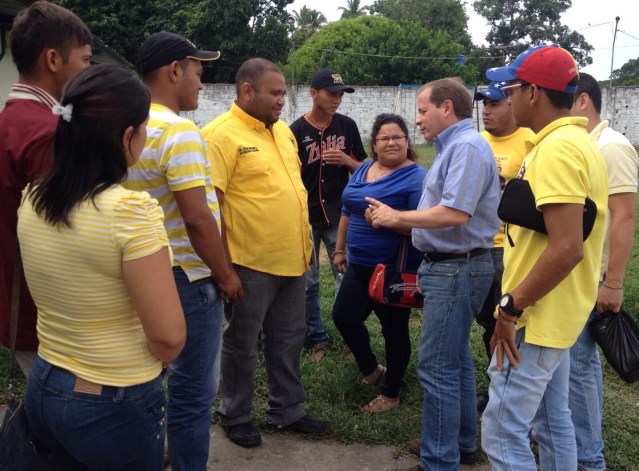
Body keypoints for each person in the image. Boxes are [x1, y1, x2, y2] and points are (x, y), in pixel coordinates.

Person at [19, 63, 186, 470]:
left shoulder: (34, 197)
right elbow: (168, 337)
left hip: (44, 382)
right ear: (127, 137)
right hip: (111, 398)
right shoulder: (130, 212)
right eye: (143, 129)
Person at [480, 44, 608, 470]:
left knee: (501, 430)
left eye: (510, 88)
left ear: (533, 92)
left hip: (537, 315)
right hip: (558, 311)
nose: (506, 96)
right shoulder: (574, 140)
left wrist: (510, 308)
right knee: (552, 425)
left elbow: (567, 246)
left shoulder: (558, 149)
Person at [368, 77, 501, 471]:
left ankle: (438, 460)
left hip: (457, 267)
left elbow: (454, 214)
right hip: (452, 265)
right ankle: (459, 445)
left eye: (424, 111)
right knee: (455, 359)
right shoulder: (455, 147)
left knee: (438, 366)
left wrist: (396, 216)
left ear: (447, 108)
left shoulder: (466, 148)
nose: (418, 119)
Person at [125, 31, 242, 471]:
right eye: (198, 70)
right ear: (174, 70)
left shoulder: (128, 125)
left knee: (146, 383)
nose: (201, 81)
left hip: (140, 272)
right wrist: (227, 276)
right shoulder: (178, 131)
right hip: (188, 280)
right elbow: (197, 218)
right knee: (193, 395)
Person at [201, 58, 327, 449]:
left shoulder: (284, 134)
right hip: (248, 263)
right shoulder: (219, 135)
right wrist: (224, 271)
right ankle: (234, 414)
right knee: (241, 343)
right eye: (274, 93)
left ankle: (286, 409)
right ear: (246, 91)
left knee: (288, 338)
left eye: (283, 93)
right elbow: (212, 208)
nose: (281, 100)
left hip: (293, 257)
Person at [0, 0, 92, 377]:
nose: (89, 70)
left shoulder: (12, 120)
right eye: (85, 61)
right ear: (54, 60)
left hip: (20, 304)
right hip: (49, 319)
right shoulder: (45, 133)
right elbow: (64, 236)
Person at [331, 113, 426, 413]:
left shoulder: (416, 177)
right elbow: (348, 208)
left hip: (393, 268)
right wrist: (339, 249)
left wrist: (387, 221)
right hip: (358, 263)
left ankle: (391, 392)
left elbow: (423, 226)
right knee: (344, 317)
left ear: (407, 142)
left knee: (394, 330)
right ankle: (372, 369)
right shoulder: (364, 170)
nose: (391, 142)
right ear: (374, 144)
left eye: (398, 136)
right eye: (384, 137)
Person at [569, 72, 638, 471]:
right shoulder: (585, 145)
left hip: (594, 279)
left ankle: (588, 458)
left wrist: (613, 283)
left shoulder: (612, 147)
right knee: (572, 364)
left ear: (581, 101)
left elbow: (625, 217)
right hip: (576, 275)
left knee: (580, 366)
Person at [289, 69, 367, 362]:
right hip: (306, 217)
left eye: (340, 94)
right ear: (313, 93)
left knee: (344, 278)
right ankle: (318, 338)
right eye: (331, 93)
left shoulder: (347, 126)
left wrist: (347, 160)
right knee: (308, 283)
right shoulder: (295, 131)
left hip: (339, 214)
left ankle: (348, 335)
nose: (337, 99)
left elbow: (367, 170)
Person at [472, 82, 534, 413]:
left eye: (494, 104)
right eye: (483, 104)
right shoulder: (477, 142)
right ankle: (496, 384)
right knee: (487, 322)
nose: (486, 110)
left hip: (510, 247)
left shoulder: (529, 140)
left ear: (512, 103)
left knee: (510, 321)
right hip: (479, 245)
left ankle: (517, 394)